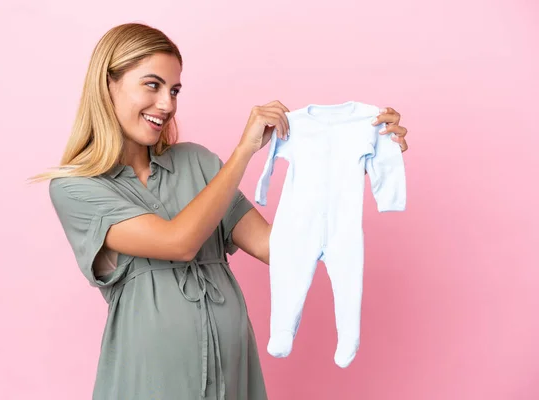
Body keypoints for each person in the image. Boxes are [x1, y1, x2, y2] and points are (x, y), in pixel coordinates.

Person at [30, 22, 409, 400]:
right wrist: (244, 151)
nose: (167, 104)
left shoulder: (197, 163)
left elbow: (280, 249)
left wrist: (345, 163)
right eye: (152, 84)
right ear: (108, 83)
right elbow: (178, 242)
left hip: (232, 376)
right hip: (148, 382)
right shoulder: (76, 188)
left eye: (174, 90)